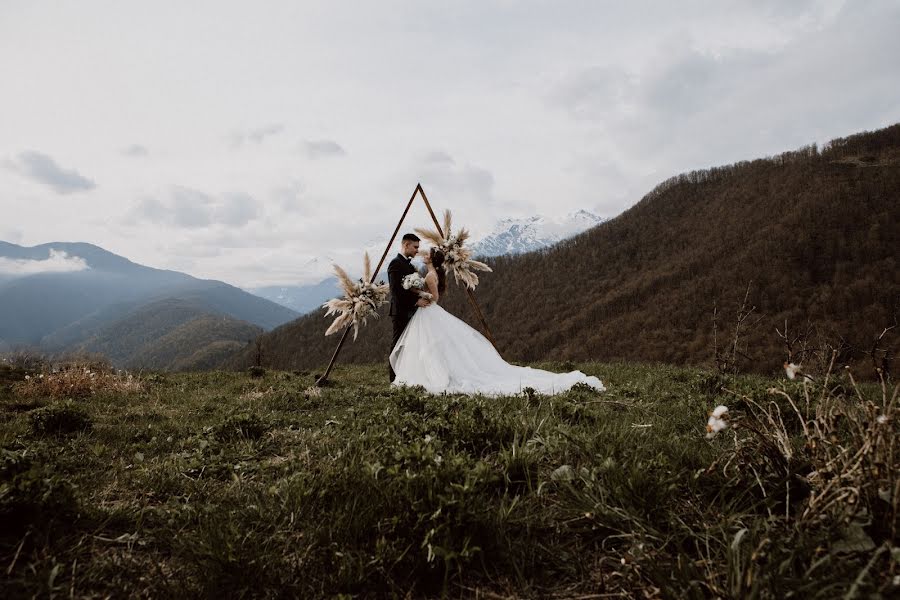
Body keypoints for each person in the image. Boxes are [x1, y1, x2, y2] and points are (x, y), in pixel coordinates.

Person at [390, 247, 605, 396]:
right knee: (433, 347)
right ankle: (430, 372)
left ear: (431, 260)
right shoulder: (431, 274)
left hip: (429, 312)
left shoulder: (429, 277)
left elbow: (435, 298)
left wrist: (423, 296)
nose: (423, 255)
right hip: (428, 314)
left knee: (430, 346)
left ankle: (432, 375)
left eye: (427, 254)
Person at [387, 233, 431, 382]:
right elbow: (396, 292)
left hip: (411, 311)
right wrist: (416, 301)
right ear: (406, 245)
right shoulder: (395, 264)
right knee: (398, 345)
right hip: (400, 311)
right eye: (415, 247)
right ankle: (394, 379)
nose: (417, 251)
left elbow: (410, 288)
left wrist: (422, 294)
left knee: (410, 345)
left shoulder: (409, 265)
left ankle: (406, 376)